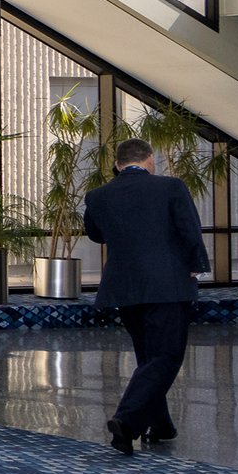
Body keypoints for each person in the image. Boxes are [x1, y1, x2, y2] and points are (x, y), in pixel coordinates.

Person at [82, 136, 209, 456]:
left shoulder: (98, 195)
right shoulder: (171, 187)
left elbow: (96, 234)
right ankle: (126, 421)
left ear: (117, 165)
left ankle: (160, 425)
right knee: (166, 357)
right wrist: (197, 267)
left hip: (124, 289)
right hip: (167, 286)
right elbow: (190, 230)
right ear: (150, 160)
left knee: (149, 358)